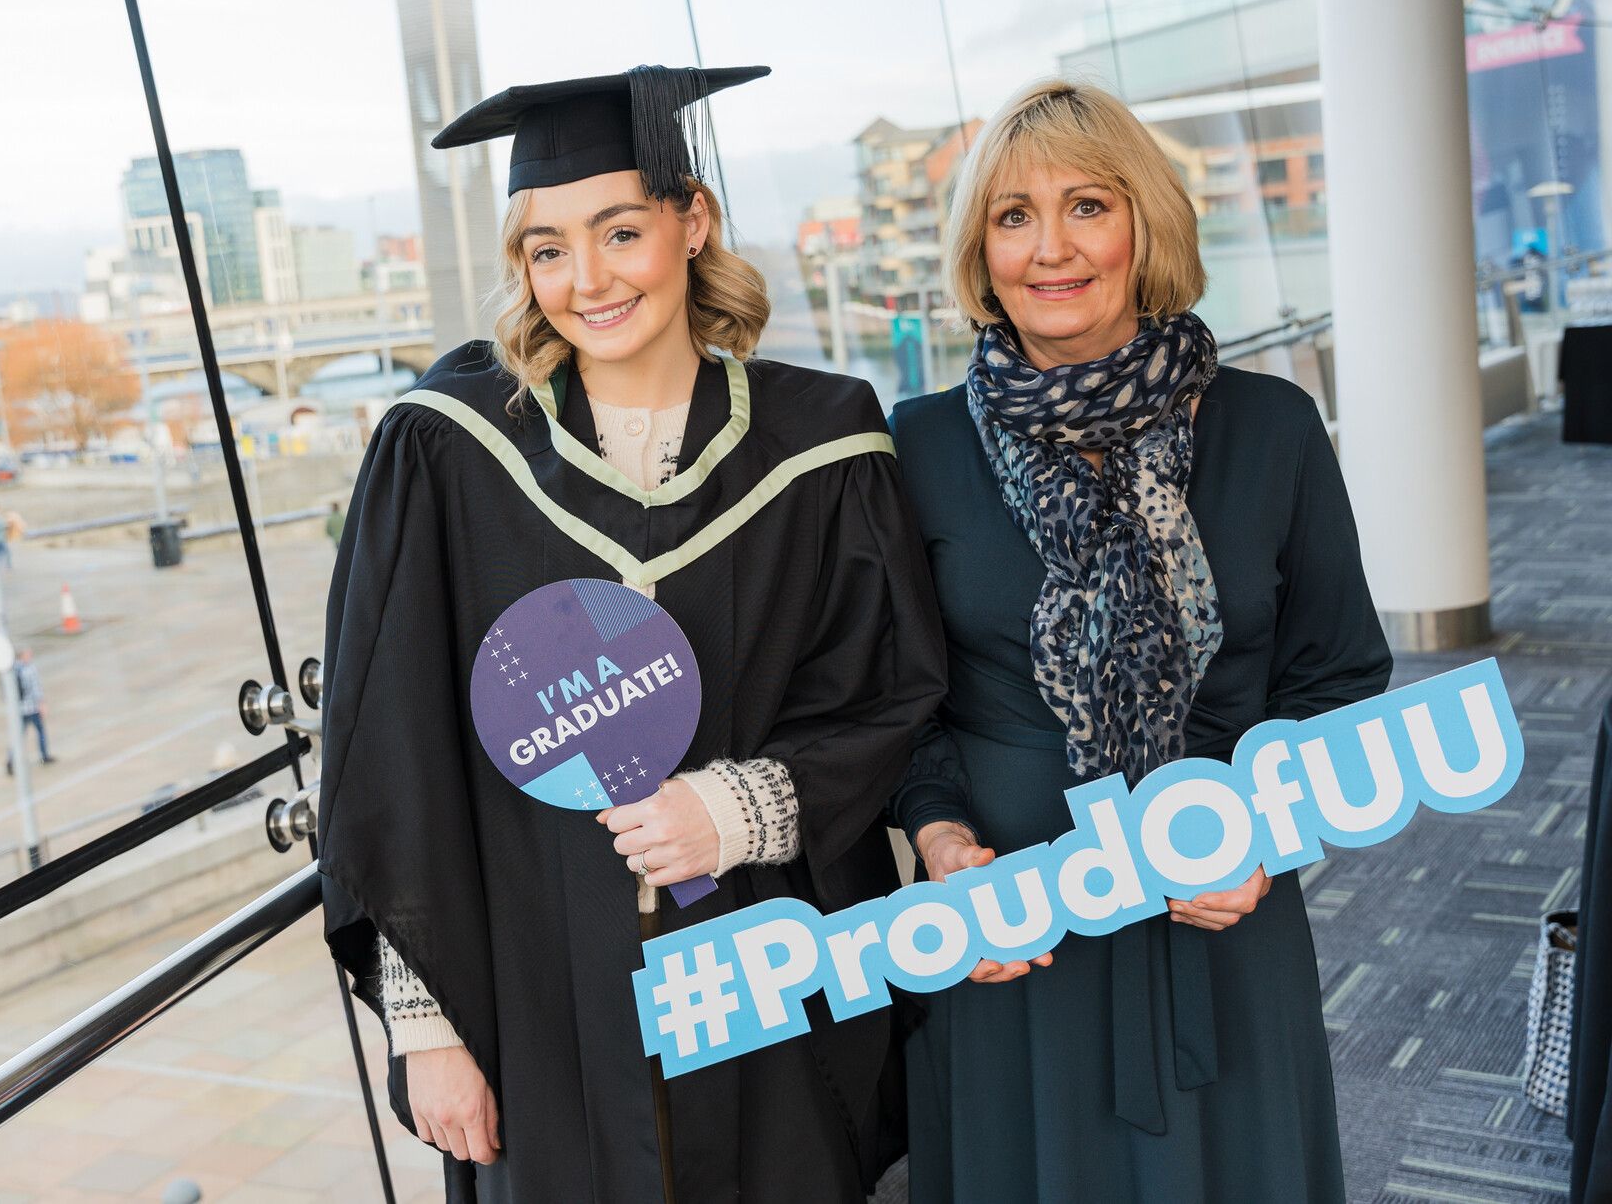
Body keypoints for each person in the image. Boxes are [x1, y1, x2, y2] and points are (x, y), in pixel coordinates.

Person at [317, 64, 949, 1202]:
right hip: (533, 994)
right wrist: (427, 1025)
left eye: (620, 231)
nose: (588, 280)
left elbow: (890, 690)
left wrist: (741, 806)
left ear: (691, 221)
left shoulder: (824, 443)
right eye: (548, 249)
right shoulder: (448, 448)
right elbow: (389, 744)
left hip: (757, 972)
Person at [888, 77, 1393, 1203]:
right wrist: (939, 838)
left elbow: (1340, 675)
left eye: (1087, 205)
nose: (1050, 248)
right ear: (979, 251)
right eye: (1012, 215)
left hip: (1225, 921)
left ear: (1143, 223)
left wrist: (1267, 831)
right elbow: (897, 699)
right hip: (1009, 931)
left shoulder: (1270, 426)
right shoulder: (915, 445)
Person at [5, 647, 54, 772]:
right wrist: (42, 704)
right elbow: (36, 689)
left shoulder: (12, 669)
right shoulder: (29, 669)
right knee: (40, 731)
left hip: (19, 709)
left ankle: (11, 759)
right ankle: (44, 756)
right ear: (23, 655)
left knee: (18, 735)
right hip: (32, 708)